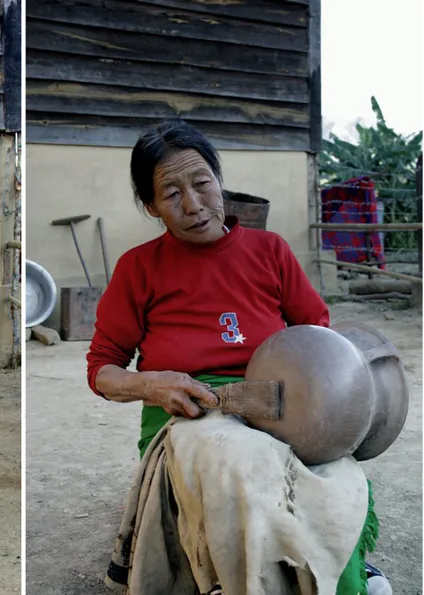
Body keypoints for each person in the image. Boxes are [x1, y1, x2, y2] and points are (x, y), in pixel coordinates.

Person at [86, 120, 389, 594]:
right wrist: (153, 384)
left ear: (218, 180)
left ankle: (336, 575)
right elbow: (102, 370)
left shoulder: (270, 251)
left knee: (335, 471)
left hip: (279, 402)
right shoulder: (138, 268)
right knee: (250, 465)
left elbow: (320, 336)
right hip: (192, 413)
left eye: (202, 183)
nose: (193, 204)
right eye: (170, 194)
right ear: (151, 206)